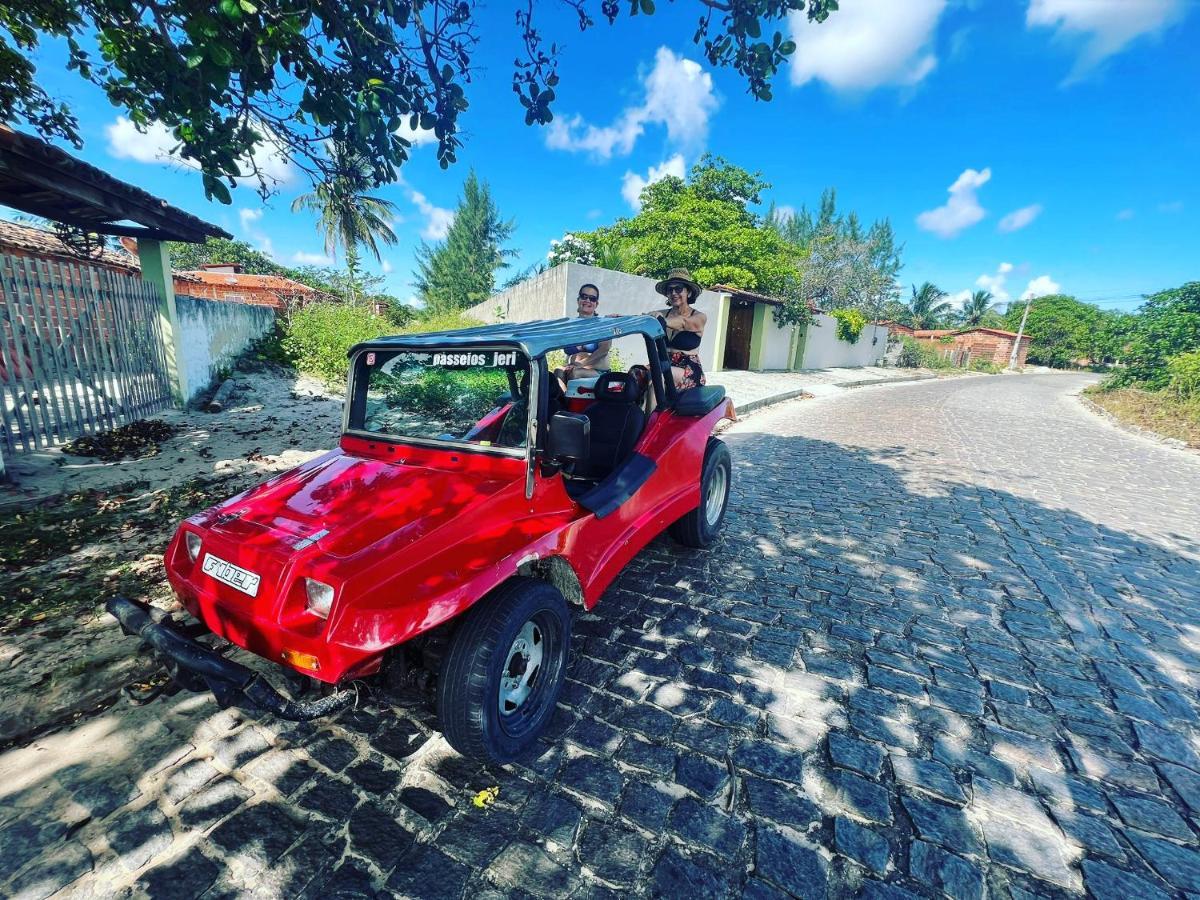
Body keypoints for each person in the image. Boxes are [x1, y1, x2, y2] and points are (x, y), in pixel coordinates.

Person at [649, 268, 707, 390]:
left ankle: (654, 410)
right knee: (636, 373)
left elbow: (683, 322)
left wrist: (661, 321)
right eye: (670, 290)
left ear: (689, 293)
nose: (674, 293)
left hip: (687, 369)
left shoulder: (699, 317)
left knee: (659, 375)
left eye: (679, 289)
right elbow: (642, 319)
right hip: (662, 363)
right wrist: (621, 318)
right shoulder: (661, 314)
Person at [557, 283, 611, 385]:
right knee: (558, 371)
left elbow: (604, 350)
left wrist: (580, 364)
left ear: (596, 304)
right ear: (578, 300)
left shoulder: (602, 325)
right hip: (573, 367)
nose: (587, 300)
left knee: (575, 373)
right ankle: (564, 400)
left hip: (596, 371)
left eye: (592, 298)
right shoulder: (570, 326)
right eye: (584, 296)